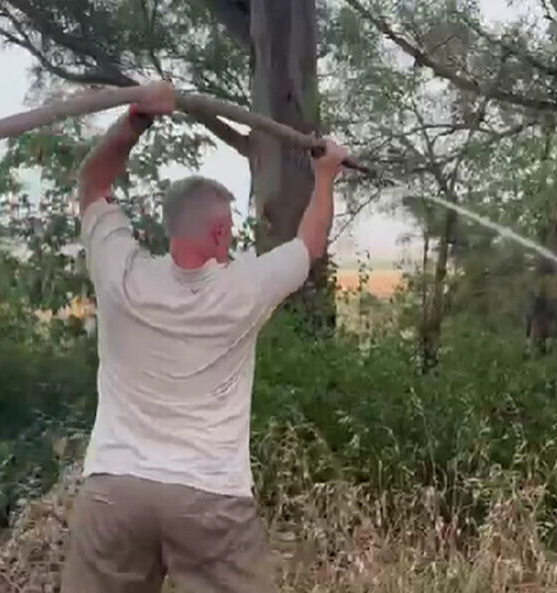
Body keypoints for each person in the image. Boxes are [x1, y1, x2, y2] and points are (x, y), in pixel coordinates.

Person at [61, 80, 347, 593]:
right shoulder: (244, 288)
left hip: (115, 488)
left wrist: (136, 121)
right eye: (231, 227)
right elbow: (310, 241)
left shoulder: (120, 274)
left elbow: (92, 186)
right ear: (218, 233)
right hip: (209, 495)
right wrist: (325, 174)